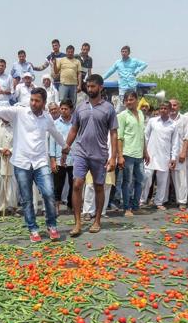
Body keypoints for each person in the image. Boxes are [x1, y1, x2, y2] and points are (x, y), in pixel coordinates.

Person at [0, 88, 67, 242]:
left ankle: (51, 225)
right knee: (26, 199)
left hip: (40, 162)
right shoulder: (20, 113)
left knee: (48, 193)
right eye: (31, 100)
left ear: (44, 103)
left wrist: (65, 146)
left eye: (37, 100)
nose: (33, 103)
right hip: (22, 162)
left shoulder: (47, 118)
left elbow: (55, 133)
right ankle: (33, 228)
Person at [65, 74, 118, 235]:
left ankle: (97, 221)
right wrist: (66, 146)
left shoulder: (109, 108)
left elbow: (114, 133)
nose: (89, 89)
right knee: (77, 185)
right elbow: (74, 129)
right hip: (81, 152)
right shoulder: (80, 106)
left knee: (98, 187)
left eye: (93, 86)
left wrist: (113, 157)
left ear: (100, 88)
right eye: (88, 86)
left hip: (99, 154)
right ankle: (78, 223)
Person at [140, 102, 179, 210]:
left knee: (162, 181)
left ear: (170, 110)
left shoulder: (173, 124)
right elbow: (146, 137)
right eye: (161, 108)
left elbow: (175, 143)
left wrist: (173, 158)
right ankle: (142, 200)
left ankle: (158, 202)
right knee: (147, 178)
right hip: (150, 155)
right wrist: (144, 152)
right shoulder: (152, 121)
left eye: (165, 108)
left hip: (164, 156)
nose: (163, 110)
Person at [116, 92, 147, 217]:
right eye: (127, 100)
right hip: (127, 153)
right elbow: (119, 137)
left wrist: (146, 151)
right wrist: (120, 156)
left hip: (139, 154)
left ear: (136, 100)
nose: (129, 102)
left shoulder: (140, 113)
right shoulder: (122, 116)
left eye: (131, 99)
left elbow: (142, 135)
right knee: (127, 182)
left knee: (141, 181)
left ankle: (136, 206)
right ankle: (127, 208)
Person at [102, 46, 148, 112]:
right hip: (122, 86)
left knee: (133, 103)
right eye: (122, 51)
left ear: (129, 53)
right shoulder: (118, 62)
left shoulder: (134, 61)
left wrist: (136, 71)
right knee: (122, 103)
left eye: (125, 52)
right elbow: (110, 71)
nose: (123, 53)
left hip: (132, 85)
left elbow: (144, 64)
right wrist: (101, 78)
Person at [49, 99, 75, 213]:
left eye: (66, 109)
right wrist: (53, 160)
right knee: (57, 185)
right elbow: (52, 143)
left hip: (74, 159)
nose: (63, 111)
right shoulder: (55, 124)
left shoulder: (76, 123)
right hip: (59, 159)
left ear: (71, 110)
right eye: (62, 109)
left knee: (73, 184)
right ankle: (56, 207)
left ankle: (71, 205)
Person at [0, 115, 17, 215]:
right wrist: (1, 149)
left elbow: (18, 142)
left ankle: (12, 208)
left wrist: (10, 150)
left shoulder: (15, 126)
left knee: (12, 183)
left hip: (12, 158)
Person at [169, 99, 188, 209]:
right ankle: (162, 200)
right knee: (163, 179)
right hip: (164, 153)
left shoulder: (184, 120)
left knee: (180, 178)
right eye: (170, 105)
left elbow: (187, 138)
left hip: (179, 153)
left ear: (179, 106)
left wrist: (183, 152)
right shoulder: (163, 118)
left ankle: (182, 201)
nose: (172, 107)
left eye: (175, 105)